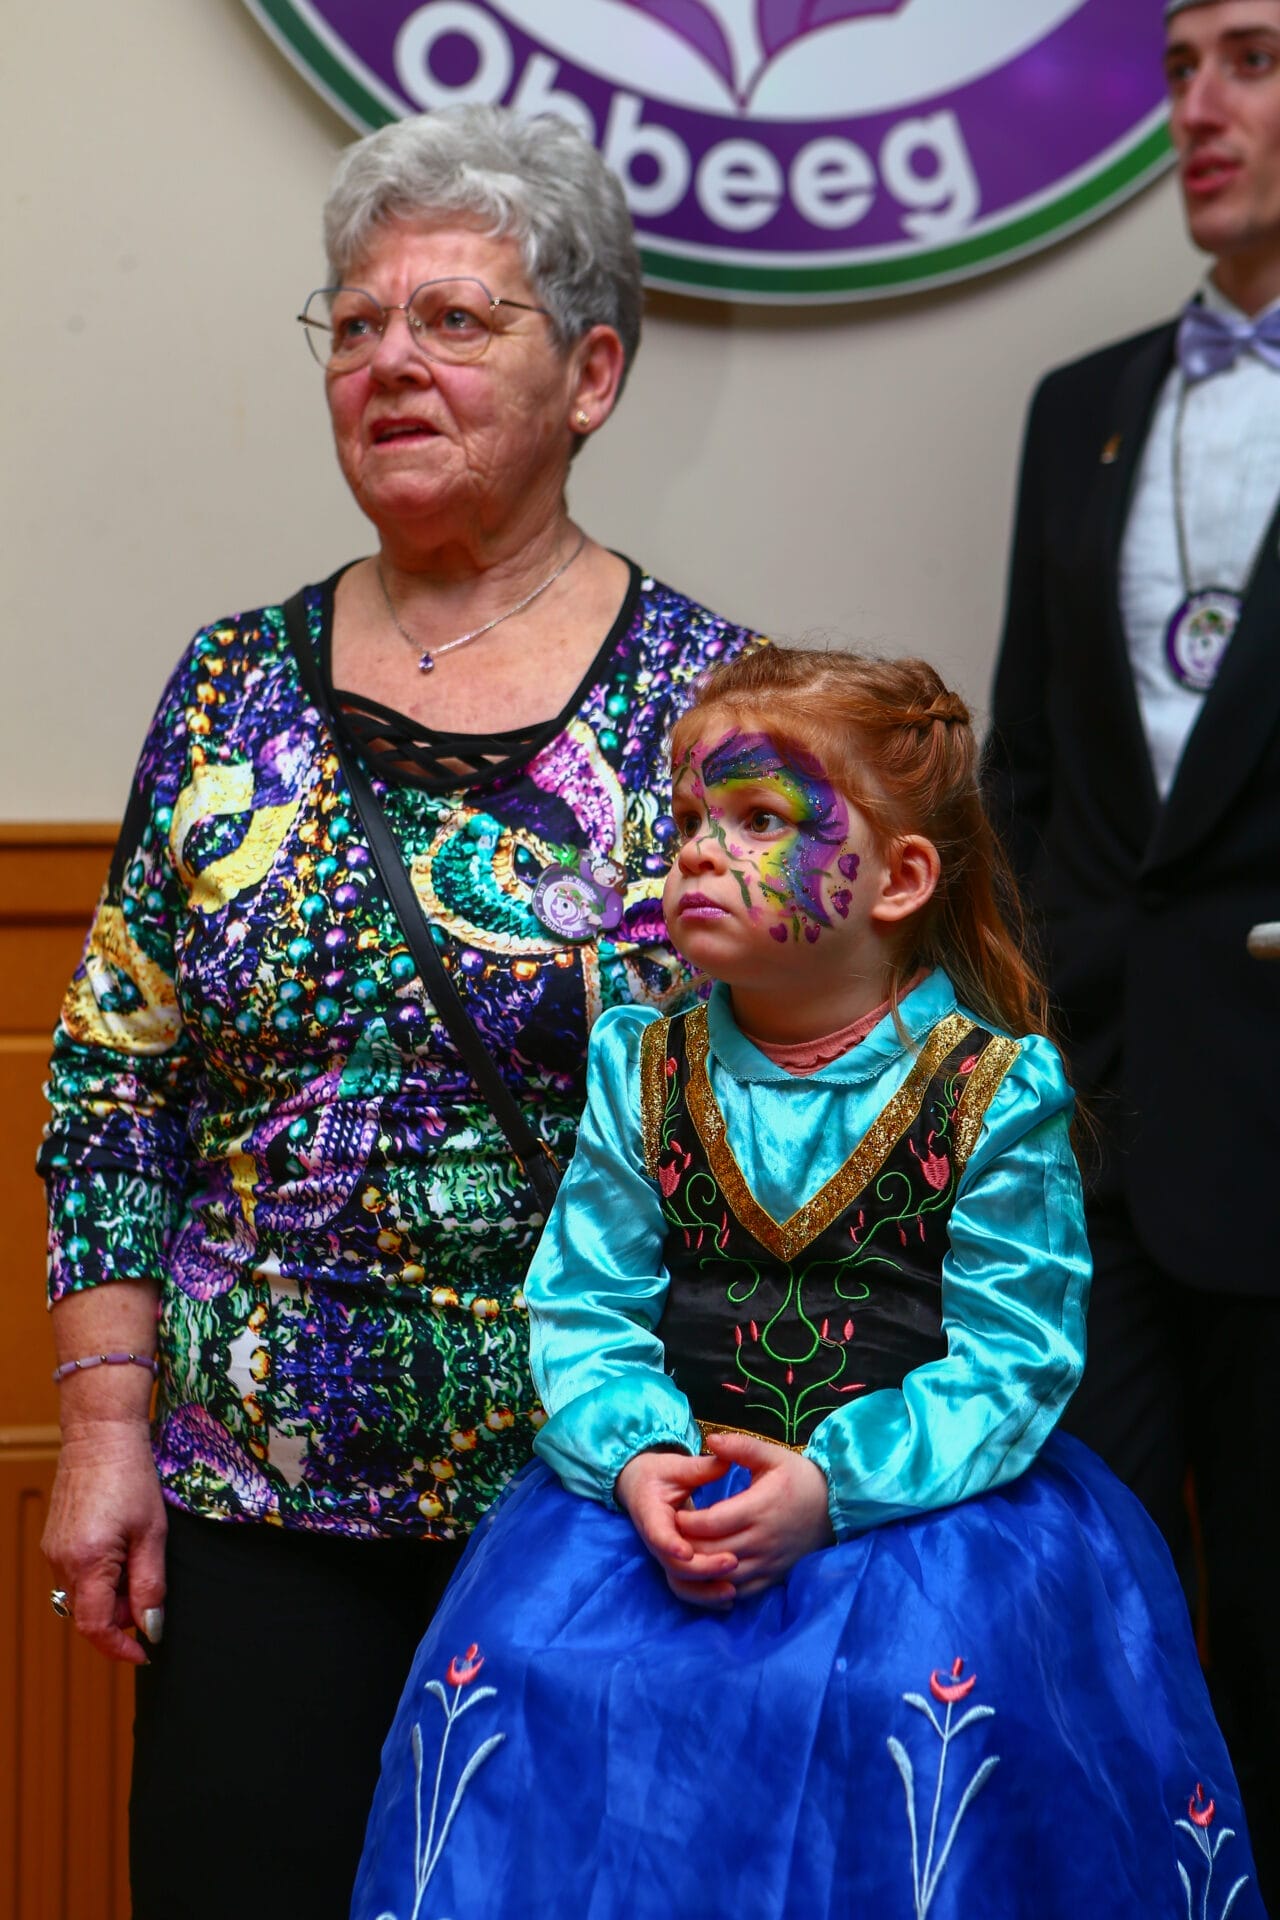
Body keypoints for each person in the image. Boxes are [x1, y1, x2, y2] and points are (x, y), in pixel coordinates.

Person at [37, 104, 764, 1920]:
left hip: (599, 1516)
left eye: (454, 318)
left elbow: (800, 1101)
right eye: (355, 323)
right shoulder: (229, 684)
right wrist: (107, 1432)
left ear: (591, 375)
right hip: (253, 1507)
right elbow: (113, 1086)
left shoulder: (720, 709)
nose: (390, 362)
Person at [352, 647, 1264, 1920]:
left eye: (757, 820)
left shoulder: (990, 1090)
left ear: (898, 878)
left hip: (919, 1527)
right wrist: (637, 1460)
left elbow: (1014, 1357)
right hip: (659, 1508)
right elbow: (583, 1304)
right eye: (686, 818)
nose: (695, 851)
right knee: (524, 1671)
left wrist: (829, 1489)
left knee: (904, 1717)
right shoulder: (641, 1068)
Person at [983, 2, 1280, 1898]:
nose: (1198, 108)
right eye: (1176, 69)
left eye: (1251, 57)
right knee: (1087, 1632)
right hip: (1095, 1129)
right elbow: (1023, 766)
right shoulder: (1080, 403)